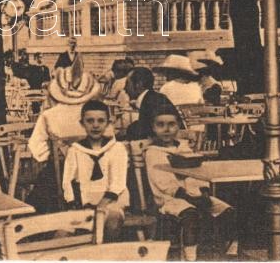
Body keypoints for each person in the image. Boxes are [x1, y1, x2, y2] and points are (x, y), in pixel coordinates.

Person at [144, 104, 233, 261]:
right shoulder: (153, 153)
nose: (166, 129)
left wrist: (203, 193)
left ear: (178, 125)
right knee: (191, 215)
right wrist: (191, 198)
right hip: (169, 199)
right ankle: (190, 256)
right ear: (153, 127)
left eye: (171, 124)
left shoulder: (184, 148)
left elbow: (196, 173)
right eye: (160, 125)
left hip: (194, 195)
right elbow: (163, 184)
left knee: (228, 211)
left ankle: (230, 252)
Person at [26, 63, 107, 213]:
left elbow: (36, 148)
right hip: (98, 174)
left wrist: (58, 153)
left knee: (46, 179)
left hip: (62, 176)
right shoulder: (98, 114)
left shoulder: (49, 115)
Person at [62, 100, 129, 241]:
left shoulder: (117, 148)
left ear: (108, 123)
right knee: (63, 233)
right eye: (90, 121)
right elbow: (67, 181)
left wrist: (100, 207)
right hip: (84, 202)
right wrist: (74, 203)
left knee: (112, 222)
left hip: (111, 202)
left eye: (101, 121)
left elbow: (117, 184)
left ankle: (106, 251)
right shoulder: (75, 150)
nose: (96, 125)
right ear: (82, 123)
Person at [124, 67, 176, 141]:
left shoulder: (152, 101)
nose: (125, 88)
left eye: (127, 84)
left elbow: (146, 132)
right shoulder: (152, 98)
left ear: (139, 84)